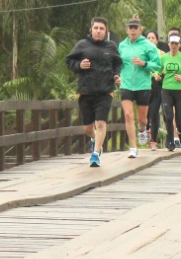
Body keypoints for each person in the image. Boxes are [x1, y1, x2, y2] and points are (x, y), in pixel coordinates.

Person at [64, 16, 121, 167]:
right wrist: (79, 65)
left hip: (105, 92)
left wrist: (117, 76)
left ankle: (95, 155)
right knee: (88, 128)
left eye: (101, 29)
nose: (98, 31)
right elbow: (69, 61)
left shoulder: (111, 47)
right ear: (91, 30)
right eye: (96, 28)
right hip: (86, 91)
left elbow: (118, 64)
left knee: (101, 123)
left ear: (106, 31)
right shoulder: (82, 45)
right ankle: (95, 139)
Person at [118, 16, 161, 159]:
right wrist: (116, 75)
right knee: (128, 115)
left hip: (143, 86)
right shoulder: (122, 46)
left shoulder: (148, 46)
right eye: (130, 27)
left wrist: (144, 64)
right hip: (126, 85)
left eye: (135, 27)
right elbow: (118, 63)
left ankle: (142, 129)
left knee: (142, 120)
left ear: (140, 29)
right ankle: (133, 147)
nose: (133, 30)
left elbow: (157, 65)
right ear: (127, 30)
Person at [144, 30, 164, 151]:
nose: (151, 40)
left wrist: (159, 75)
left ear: (156, 41)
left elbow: (165, 68)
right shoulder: (143, 54)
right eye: (148, 38)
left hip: (157, 86)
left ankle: (154, 141)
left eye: (153, 38)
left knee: (154, 113)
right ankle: (146, 130)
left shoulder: (162, 54)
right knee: (145, 112)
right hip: (145, 85)